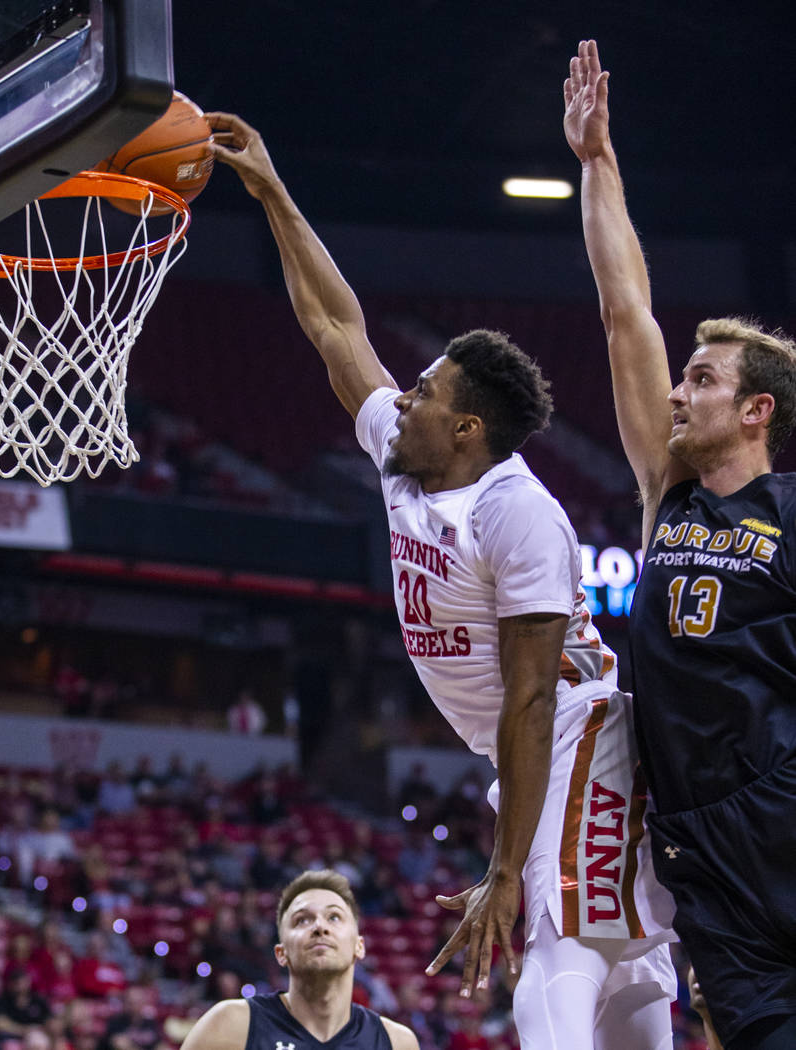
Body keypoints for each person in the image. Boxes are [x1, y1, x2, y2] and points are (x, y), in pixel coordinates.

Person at [208, 111, 676, 1049]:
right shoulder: (403, 451)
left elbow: (535, 695)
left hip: (582, 723)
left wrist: (505, 869)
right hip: (531, 753)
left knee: (551, 943)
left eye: (424, 391)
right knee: (624, 971)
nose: (403, 396)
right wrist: (270, 190)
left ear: (468, 430)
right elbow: (336, 326)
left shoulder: (518, 513)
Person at [564, 38, 796, 1050]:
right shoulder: (669, 496)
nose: (675, 389)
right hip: (701, 841)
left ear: (756, 411)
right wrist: (598, 164)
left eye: (700, 379)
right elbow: (626, 315)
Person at [179, 869, 419, 1050]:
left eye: (334, 917)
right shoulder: (230, 1025)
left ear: (359, 946)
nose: (320, 927)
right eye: (302, 920)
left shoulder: (397, 1042)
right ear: (281, 954)